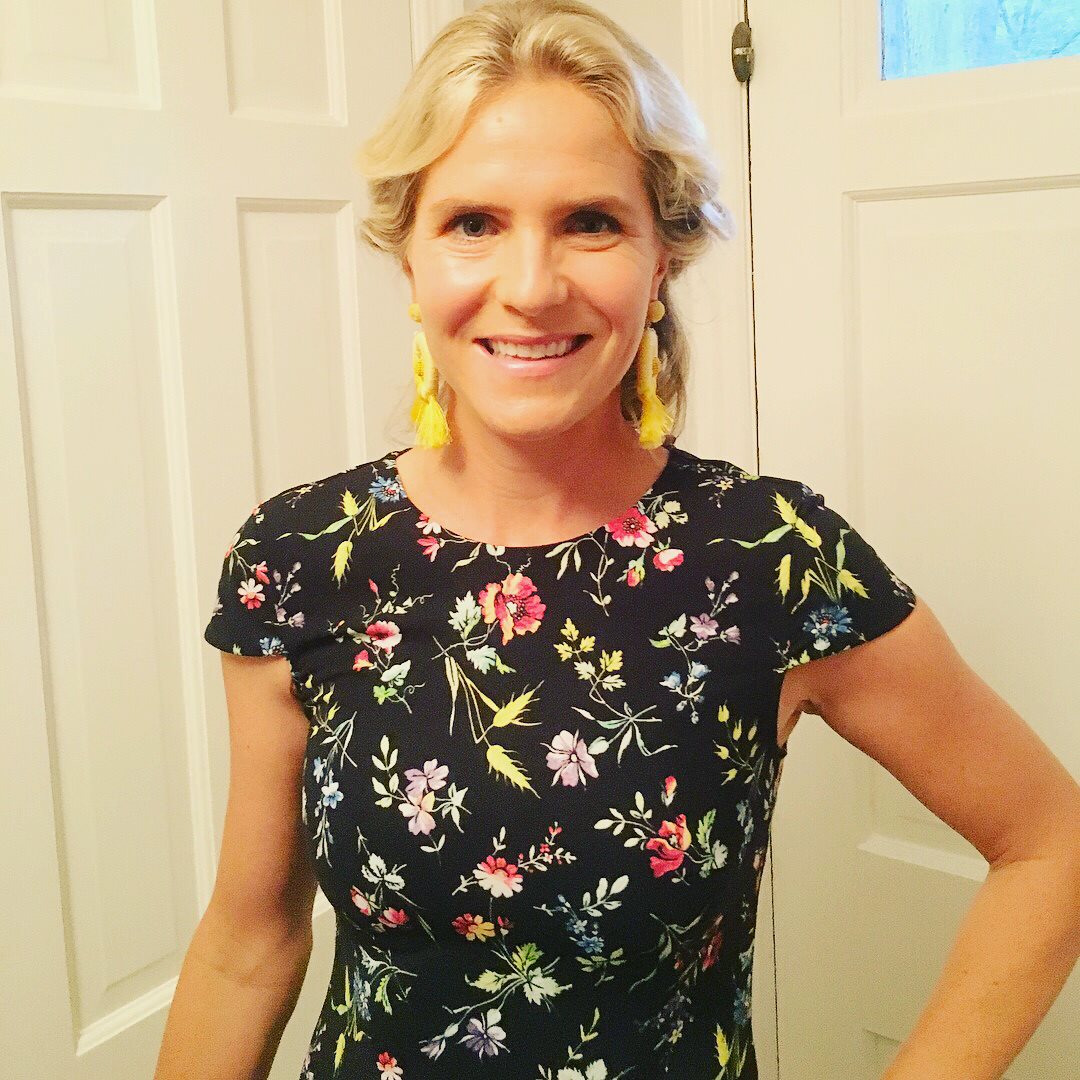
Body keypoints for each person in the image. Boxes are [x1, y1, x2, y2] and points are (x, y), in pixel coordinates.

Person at [156, 2, 1080, 1078]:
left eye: (590, 221)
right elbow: (247, 944)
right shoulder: (300, 556)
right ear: (408, 260)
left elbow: (1049, 844)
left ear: (662, 259)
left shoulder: (769, 555)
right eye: (472, 223)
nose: (532, 285)